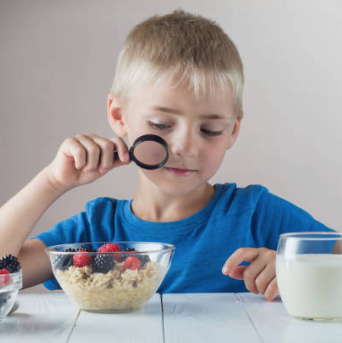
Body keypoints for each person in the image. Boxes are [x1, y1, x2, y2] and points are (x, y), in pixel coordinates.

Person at [0, 10, 333, 301]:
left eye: (211, 129)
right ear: (119, 117)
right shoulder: (94, 229)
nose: (186, 147)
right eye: (161, 124)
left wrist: (297, 269)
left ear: (233, 130)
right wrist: (52, 181)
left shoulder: (255, 213)